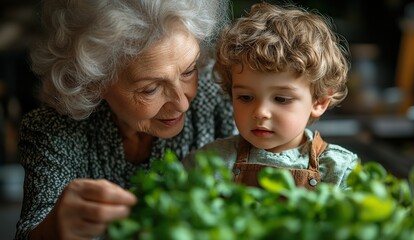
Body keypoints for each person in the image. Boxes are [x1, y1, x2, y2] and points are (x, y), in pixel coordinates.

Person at [15, 0, 237, 239]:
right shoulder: (52, 130)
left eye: (188, 71)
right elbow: (30, 231)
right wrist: (52, 230)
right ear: (94, 82)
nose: (182, 103)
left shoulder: (223, 96)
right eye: (150, 89)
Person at [183, 2, 358, 190]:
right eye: (245, 97)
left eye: (281, 99)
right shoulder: (210, 162)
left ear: (319, 102)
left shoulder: (339, 170)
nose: (260, 112)